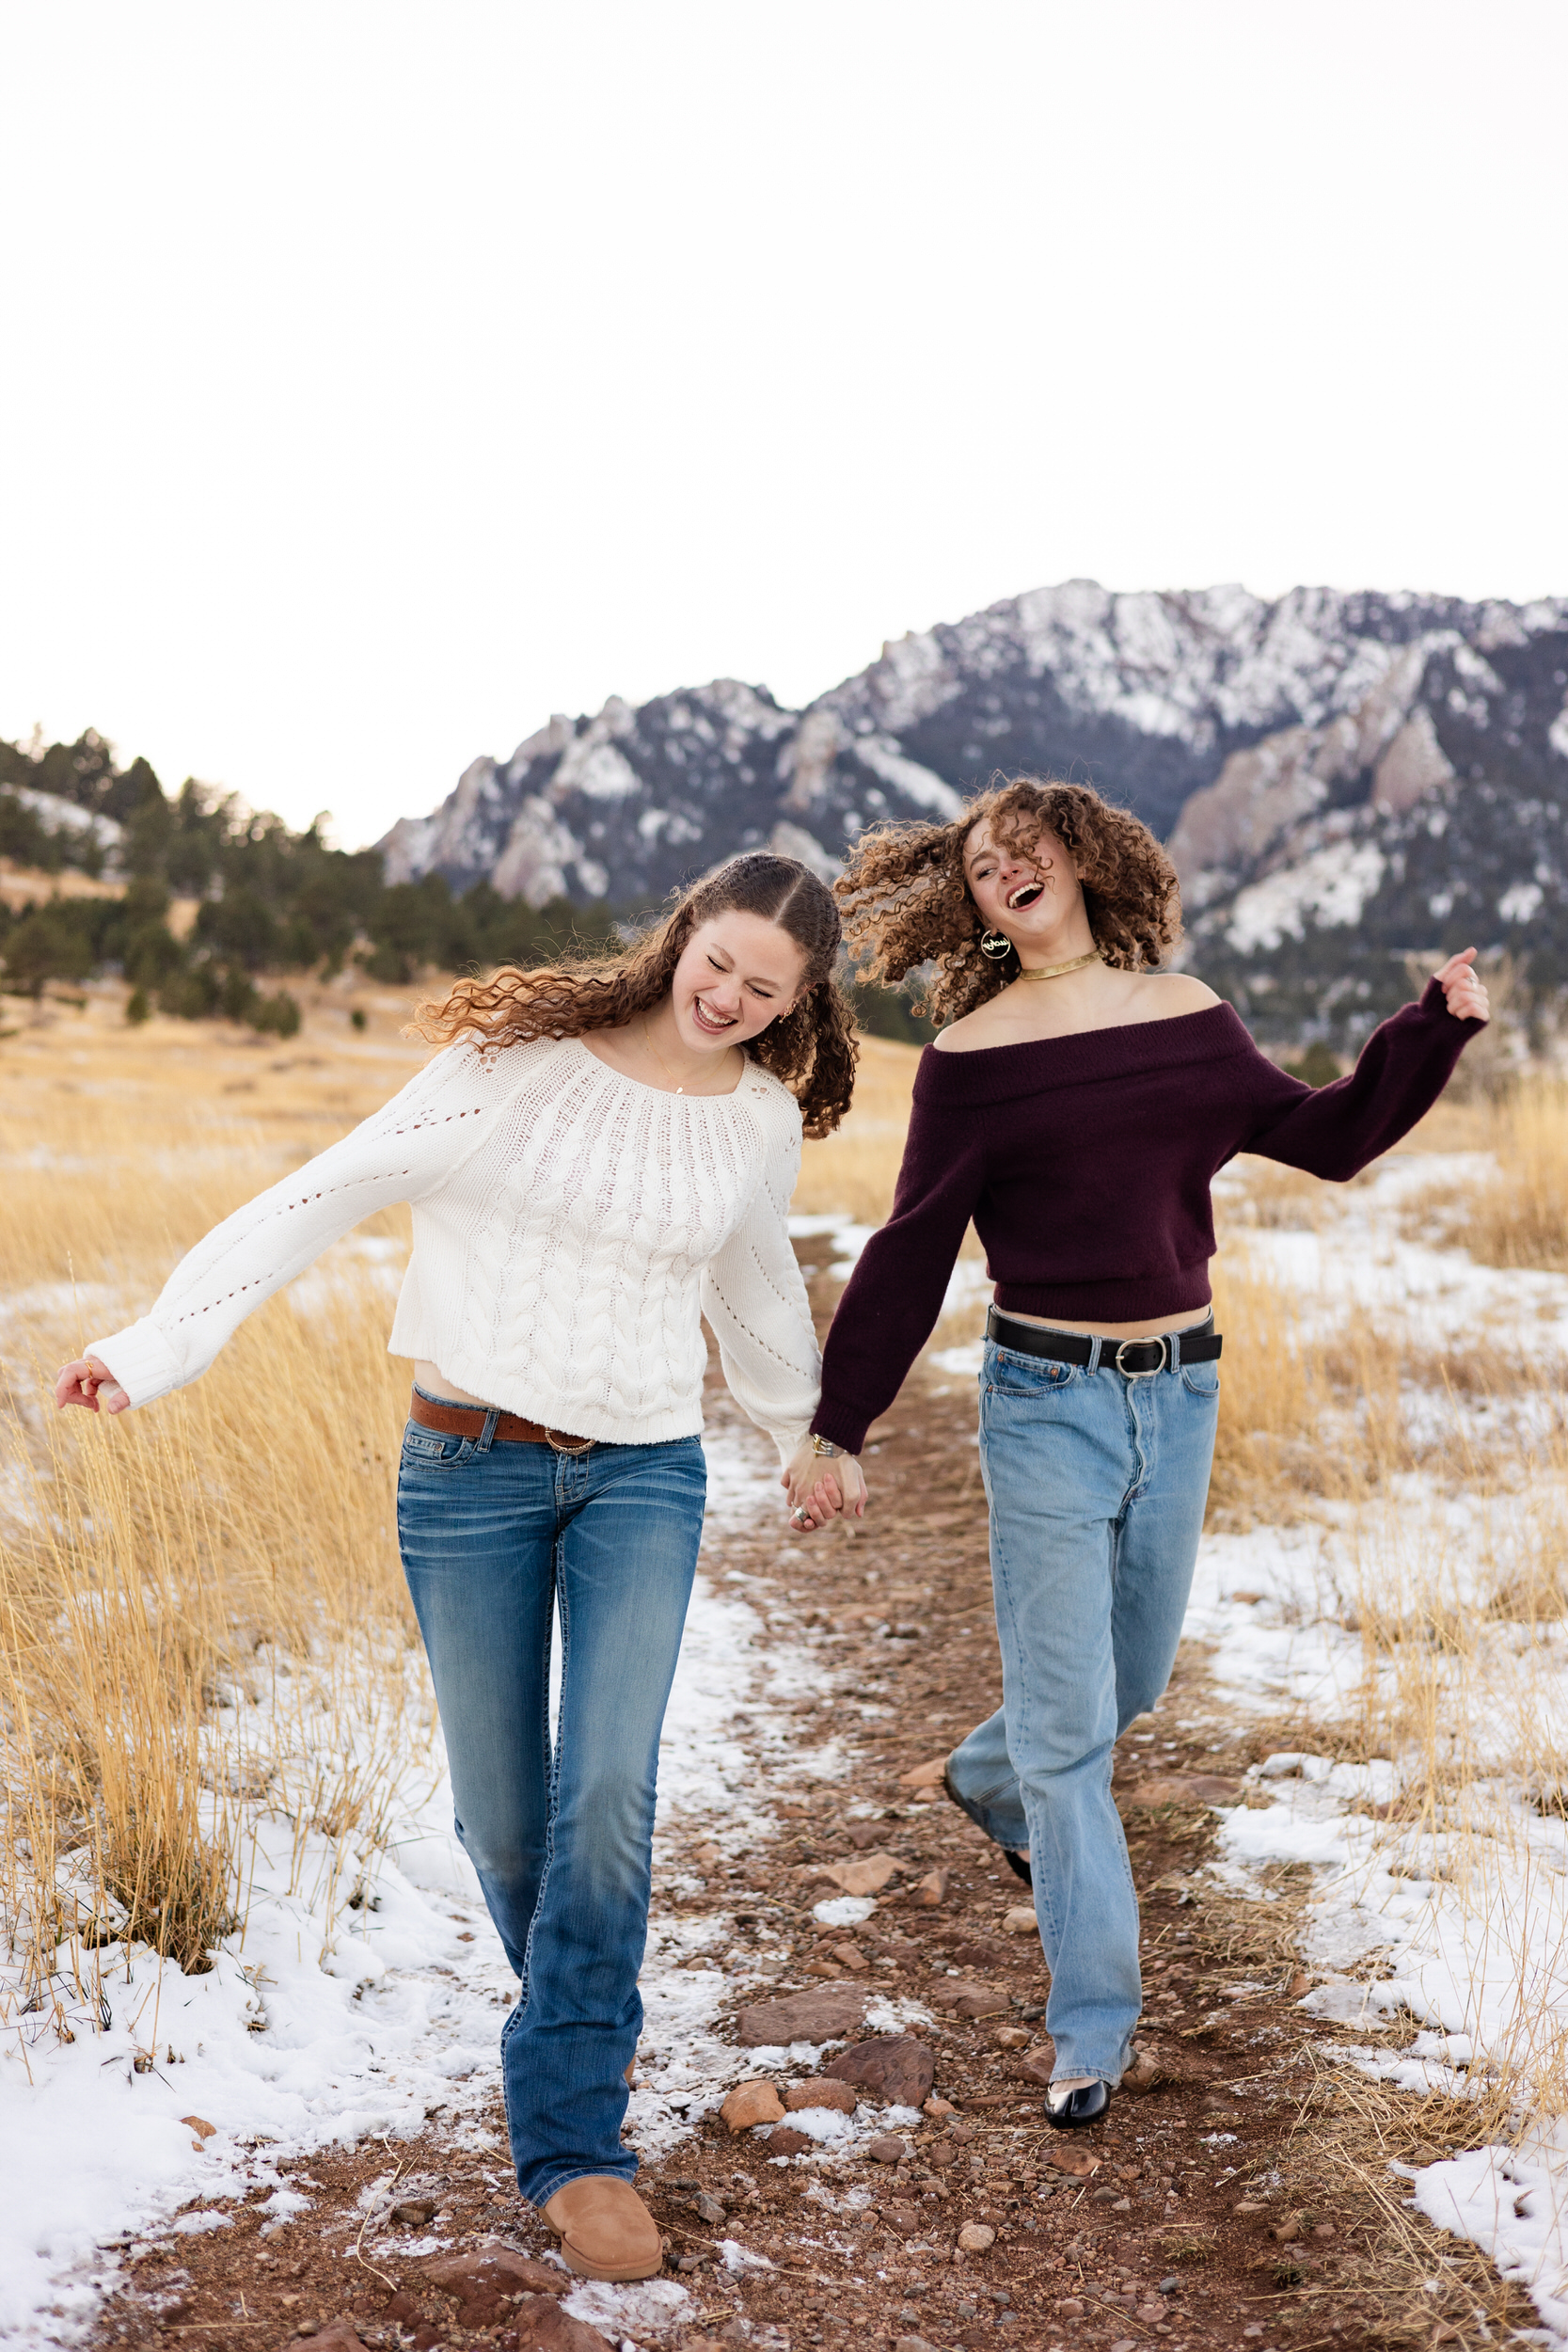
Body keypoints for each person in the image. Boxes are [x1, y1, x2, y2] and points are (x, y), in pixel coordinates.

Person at [55, 852, 860, 2280]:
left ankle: (574, 2145)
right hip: (467, 1471)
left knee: (608, 1787)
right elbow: (323, 1192)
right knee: (506, 1827)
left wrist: (814, 1431)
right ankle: (584, 2027)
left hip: (642, 1476)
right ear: (682, 934)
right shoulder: (514, 1067)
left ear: (802, 1004)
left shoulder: (753, 1121)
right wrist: (154, 1347)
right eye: (719, 960)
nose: (729, 997)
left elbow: (751, 1291)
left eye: (767, 987)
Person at [801, 777, 1488, 2127]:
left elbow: (1329, 1136)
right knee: (1073, 1736)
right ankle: (1091, 2030)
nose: (1009, 866)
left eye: (1029, 845)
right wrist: (841, 1422)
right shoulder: (973, 1057)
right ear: (972, 900)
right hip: (1045, 1398)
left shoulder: (1188, 1019)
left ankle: (987, 1777)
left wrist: (1429, 1029)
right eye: (984, 860)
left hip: (1182, 1391)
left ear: (1085, 861)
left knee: (1138, 1671)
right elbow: (914, 1244)